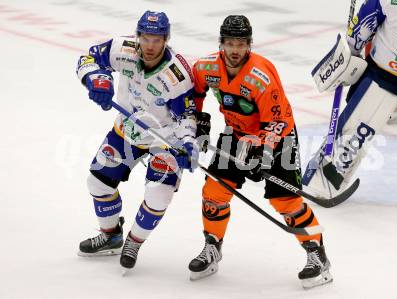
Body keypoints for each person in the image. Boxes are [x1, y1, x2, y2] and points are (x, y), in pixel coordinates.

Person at [188, 15, 333, 289]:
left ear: (249, 45)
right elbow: (194, 92)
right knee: (214, 192)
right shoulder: (206, 66)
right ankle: (212, 247)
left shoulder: (261, 75)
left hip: (278, 138)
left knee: (286, 202)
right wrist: (199, 123)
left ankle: (317, 255)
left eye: (241, 44)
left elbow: (277, 121)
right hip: (236, 133)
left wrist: (263, 154)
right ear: (221, 44)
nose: (234, 50)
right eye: (230, 43)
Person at [75, 10, 199, 271]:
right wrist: (97, 79)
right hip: (126, 132)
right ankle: (111, 236)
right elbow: (88, 59)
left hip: (163, 140)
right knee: (97, 183)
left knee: (159, 195)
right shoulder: (123, 48)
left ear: (166, 39)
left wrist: (188, 143)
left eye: (157, 39)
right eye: (146, 38)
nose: (150, 45)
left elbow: (187, 116)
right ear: (138, 36)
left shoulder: (176, 75)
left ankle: (134, 241)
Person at [302, 0, 397, 200]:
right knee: (355, 133)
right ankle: (323, 182)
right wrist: (348, 57)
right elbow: (358, 35)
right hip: (382, 75)